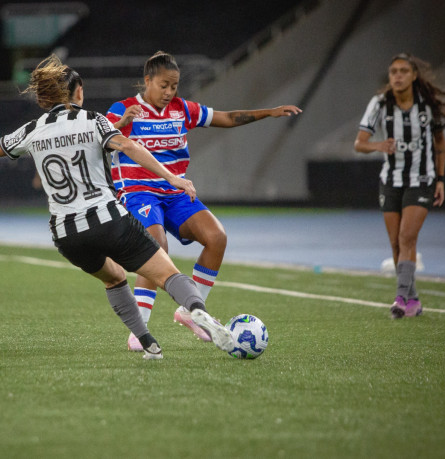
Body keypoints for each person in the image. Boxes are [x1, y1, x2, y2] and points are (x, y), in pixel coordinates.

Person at [0, 54, 235, 359]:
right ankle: (197, 311)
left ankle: (146, 341)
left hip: (67, 235)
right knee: (167, 275)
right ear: (79, 92)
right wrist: (172, 177)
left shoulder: (33, 129)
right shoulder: (94, 120)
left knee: (114, 278)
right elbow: (128, 146)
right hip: (109, 221)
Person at [106, 51, 301, 351]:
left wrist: (269, 112)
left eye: (174, 86)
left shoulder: (182, 109)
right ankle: (139, 329)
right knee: (156, 246)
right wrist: (121, 123)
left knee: (216, 237)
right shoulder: (124, 109)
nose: (169, 92)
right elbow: (99, 140)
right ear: (147, 81)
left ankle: (190, 311)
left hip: (176, 193)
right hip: (138, 192)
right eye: (164, 85)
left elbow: (226, 118)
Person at [354, 53, 445, 319]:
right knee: (396, 243)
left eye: (403, 71)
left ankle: (400, 298)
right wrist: (379, 145)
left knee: (407, 237)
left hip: (421, 180)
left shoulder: (427, 105)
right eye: (393, 72)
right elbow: (359, 143)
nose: (398, 76)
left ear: (414, 75)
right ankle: (413, 300)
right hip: (391, 180)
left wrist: (441, 179)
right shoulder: (379, 104)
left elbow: (440, 144)